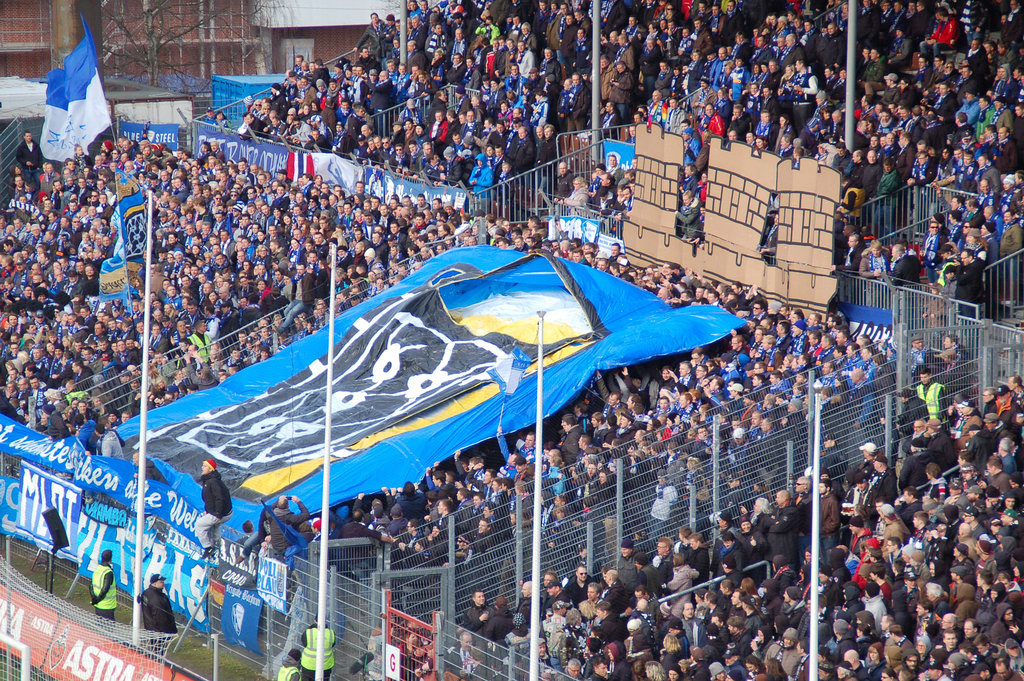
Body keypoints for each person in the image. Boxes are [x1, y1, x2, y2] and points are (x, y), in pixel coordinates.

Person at [196, 459, 233, 560]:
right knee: (213, 527)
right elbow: (210, 499)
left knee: (199, 525)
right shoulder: (209, 480)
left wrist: (218, 514)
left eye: (204, 466)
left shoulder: (212, 482)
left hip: (222, 513)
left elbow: (219, 498)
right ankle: (217, 548)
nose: (202, 468)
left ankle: (208, 548)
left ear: (210, 469)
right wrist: (208, 511)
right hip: (223, 512)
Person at [141, 573, 178, 646]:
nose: (163, 584)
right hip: (159, 630)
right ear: (154, 583)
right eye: (161, 582)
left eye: (163, 582)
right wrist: (171, 630)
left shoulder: (147, 593)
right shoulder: (157, 598)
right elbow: (161, 617)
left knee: (155, 648)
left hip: (152, 628)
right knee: (158, 649)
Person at [91, 549, 116, 621]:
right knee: (109, 629)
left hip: (98, 604)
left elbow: (91, 585)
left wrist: (94, 599)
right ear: (110, 559)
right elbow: (105, 589)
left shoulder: (97, 569)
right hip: (107, 605)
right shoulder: (108, 572)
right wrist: (98, 599)